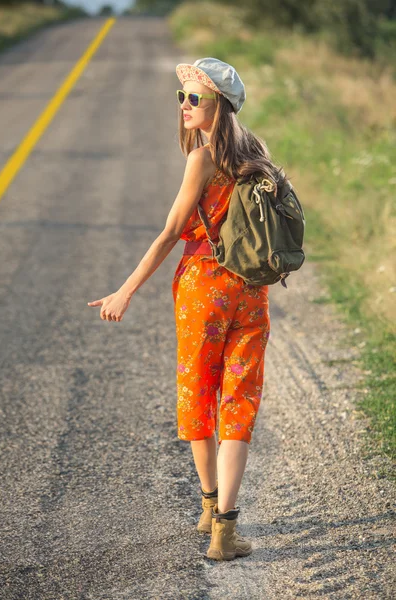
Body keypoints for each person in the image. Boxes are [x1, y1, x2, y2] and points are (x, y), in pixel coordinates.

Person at [88, 57, 287, 561]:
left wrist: (126, 289)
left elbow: (171, 234)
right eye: (181, 97)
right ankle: (224, 527)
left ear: (217, 103)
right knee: (239, 400)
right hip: (251, 289)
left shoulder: (201, 160)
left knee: (198, 390)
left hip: (203, 289)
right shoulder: (258, 154)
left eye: (193, 98)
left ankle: (210, 505)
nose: (184, 105)